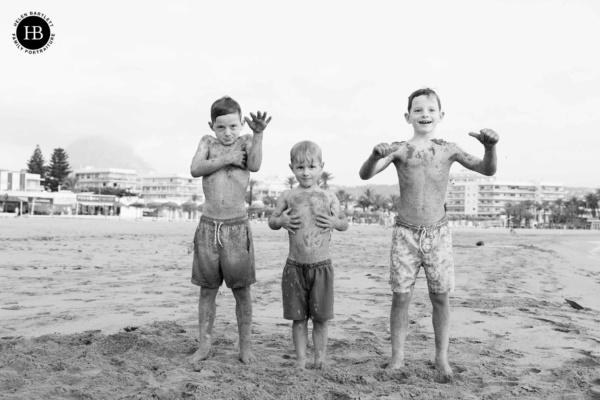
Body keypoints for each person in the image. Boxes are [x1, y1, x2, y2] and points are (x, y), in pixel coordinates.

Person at [359, 88, 499, 377]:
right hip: (405, 234)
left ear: (441, 116)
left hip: (438, 234)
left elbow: (487, 170)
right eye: (418, 110)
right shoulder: (398, 148)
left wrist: (490, 147)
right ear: (408, 116)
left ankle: (441, 357)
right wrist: (374, 155)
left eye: (431, 110)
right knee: (400, 297)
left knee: (440, 297)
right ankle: (397, 358)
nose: (425, 114)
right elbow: (366, 174)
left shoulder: (449, 149)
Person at [189, 96, 271, 365]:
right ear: (211, 125)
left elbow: (255, 164)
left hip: (236, 227)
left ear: (241, 124)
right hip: (208, 226)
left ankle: (245, 347)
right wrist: (229, 158)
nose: (228, 132)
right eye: (221, 127)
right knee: (207, 291)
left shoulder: (246, 142)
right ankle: (204, 345)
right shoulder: (207, 142)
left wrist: (258, 135)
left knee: (242, 291)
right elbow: (196, 168)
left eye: (233, 126)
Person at [268, 141, 349, 369]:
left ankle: (320, 359)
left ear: (321, 167)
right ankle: (301, 360)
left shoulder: (329, 196)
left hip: (321, 266)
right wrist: (281, 221)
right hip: (295, 265)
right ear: (292, 167)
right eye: (300, 167)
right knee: (298, 318)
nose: (306, 172)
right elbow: (272, 220)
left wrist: (334, 222)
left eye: (311, 167)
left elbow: (344, 223)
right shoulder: (288, 196)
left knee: (321, 319)